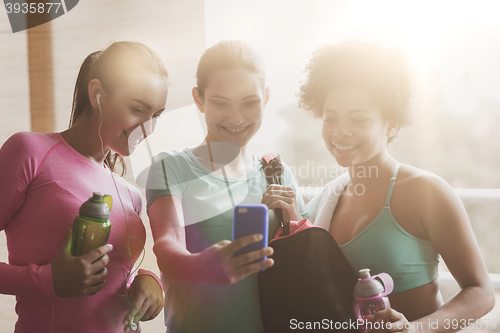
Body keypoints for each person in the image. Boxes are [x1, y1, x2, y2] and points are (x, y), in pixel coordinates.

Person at [271, 40, 494, 332]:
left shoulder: (426, 192)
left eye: (359, 118)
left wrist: (414, 329)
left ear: (390, 124)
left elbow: (481, 293)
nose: (340, 131)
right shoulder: (325, 200)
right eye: (330, 118)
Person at [0, 41, 168, 333]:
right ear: (97, 95)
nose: (148, 128)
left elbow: (109, 280)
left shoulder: (129, 195)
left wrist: (145, 282)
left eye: (156, 115)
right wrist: (46, 281)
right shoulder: (30, 153)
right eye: (137, 109)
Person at [146, 40, 307, 332]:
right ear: (199, 100)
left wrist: (294, 219)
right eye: (221, 103)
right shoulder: (171, 168)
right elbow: (166, 248)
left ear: (266, 98)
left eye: (250, 102)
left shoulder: (277, 174)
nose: (236, 118)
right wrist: (202, 266)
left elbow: (305, 269)